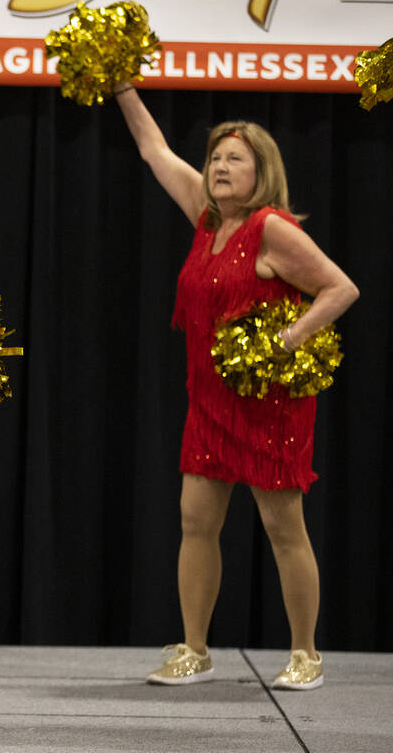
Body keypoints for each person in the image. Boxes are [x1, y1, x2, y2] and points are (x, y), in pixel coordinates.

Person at [112, 82, 358, 690]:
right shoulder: (205, 218)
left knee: (282, 525)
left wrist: (289, 339)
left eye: (234, 159)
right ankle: (193, 648)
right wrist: (121, 86)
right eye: (215, 157)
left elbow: (341, 288)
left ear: (261, 172)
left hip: (270, 404)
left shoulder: (272, 229)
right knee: (195, 520)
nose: (220, 167)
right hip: (211, 400)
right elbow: (153, 149)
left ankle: (305, 653)